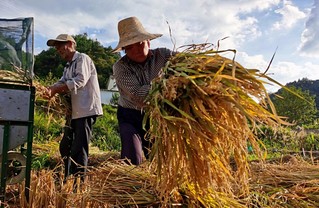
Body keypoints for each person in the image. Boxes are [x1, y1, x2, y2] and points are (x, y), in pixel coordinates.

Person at [112, 16, 176, 165]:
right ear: (124, 50)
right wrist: (169, 85)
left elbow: (188, 63)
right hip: (129, 115)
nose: (136, 50)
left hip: (155, 115)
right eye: (129, 47)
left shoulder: (164, 55)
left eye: (139, 43)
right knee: (131, 157)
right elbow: (138, 94)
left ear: (148, 42)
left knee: (158, 158)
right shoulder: (120, 67)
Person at [45, 34, 103, 182]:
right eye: (56, 46)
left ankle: (79, 183)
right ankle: (69, 178)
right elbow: (61, 82)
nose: (57, 49)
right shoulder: (68, 66)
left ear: (70, 44)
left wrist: (57, 90)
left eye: (59, 45)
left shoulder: (82, 58)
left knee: (79, 148)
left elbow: (80, 80)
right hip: (74, 113)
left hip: (86, 110)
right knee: (65, 147)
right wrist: (49, 89)